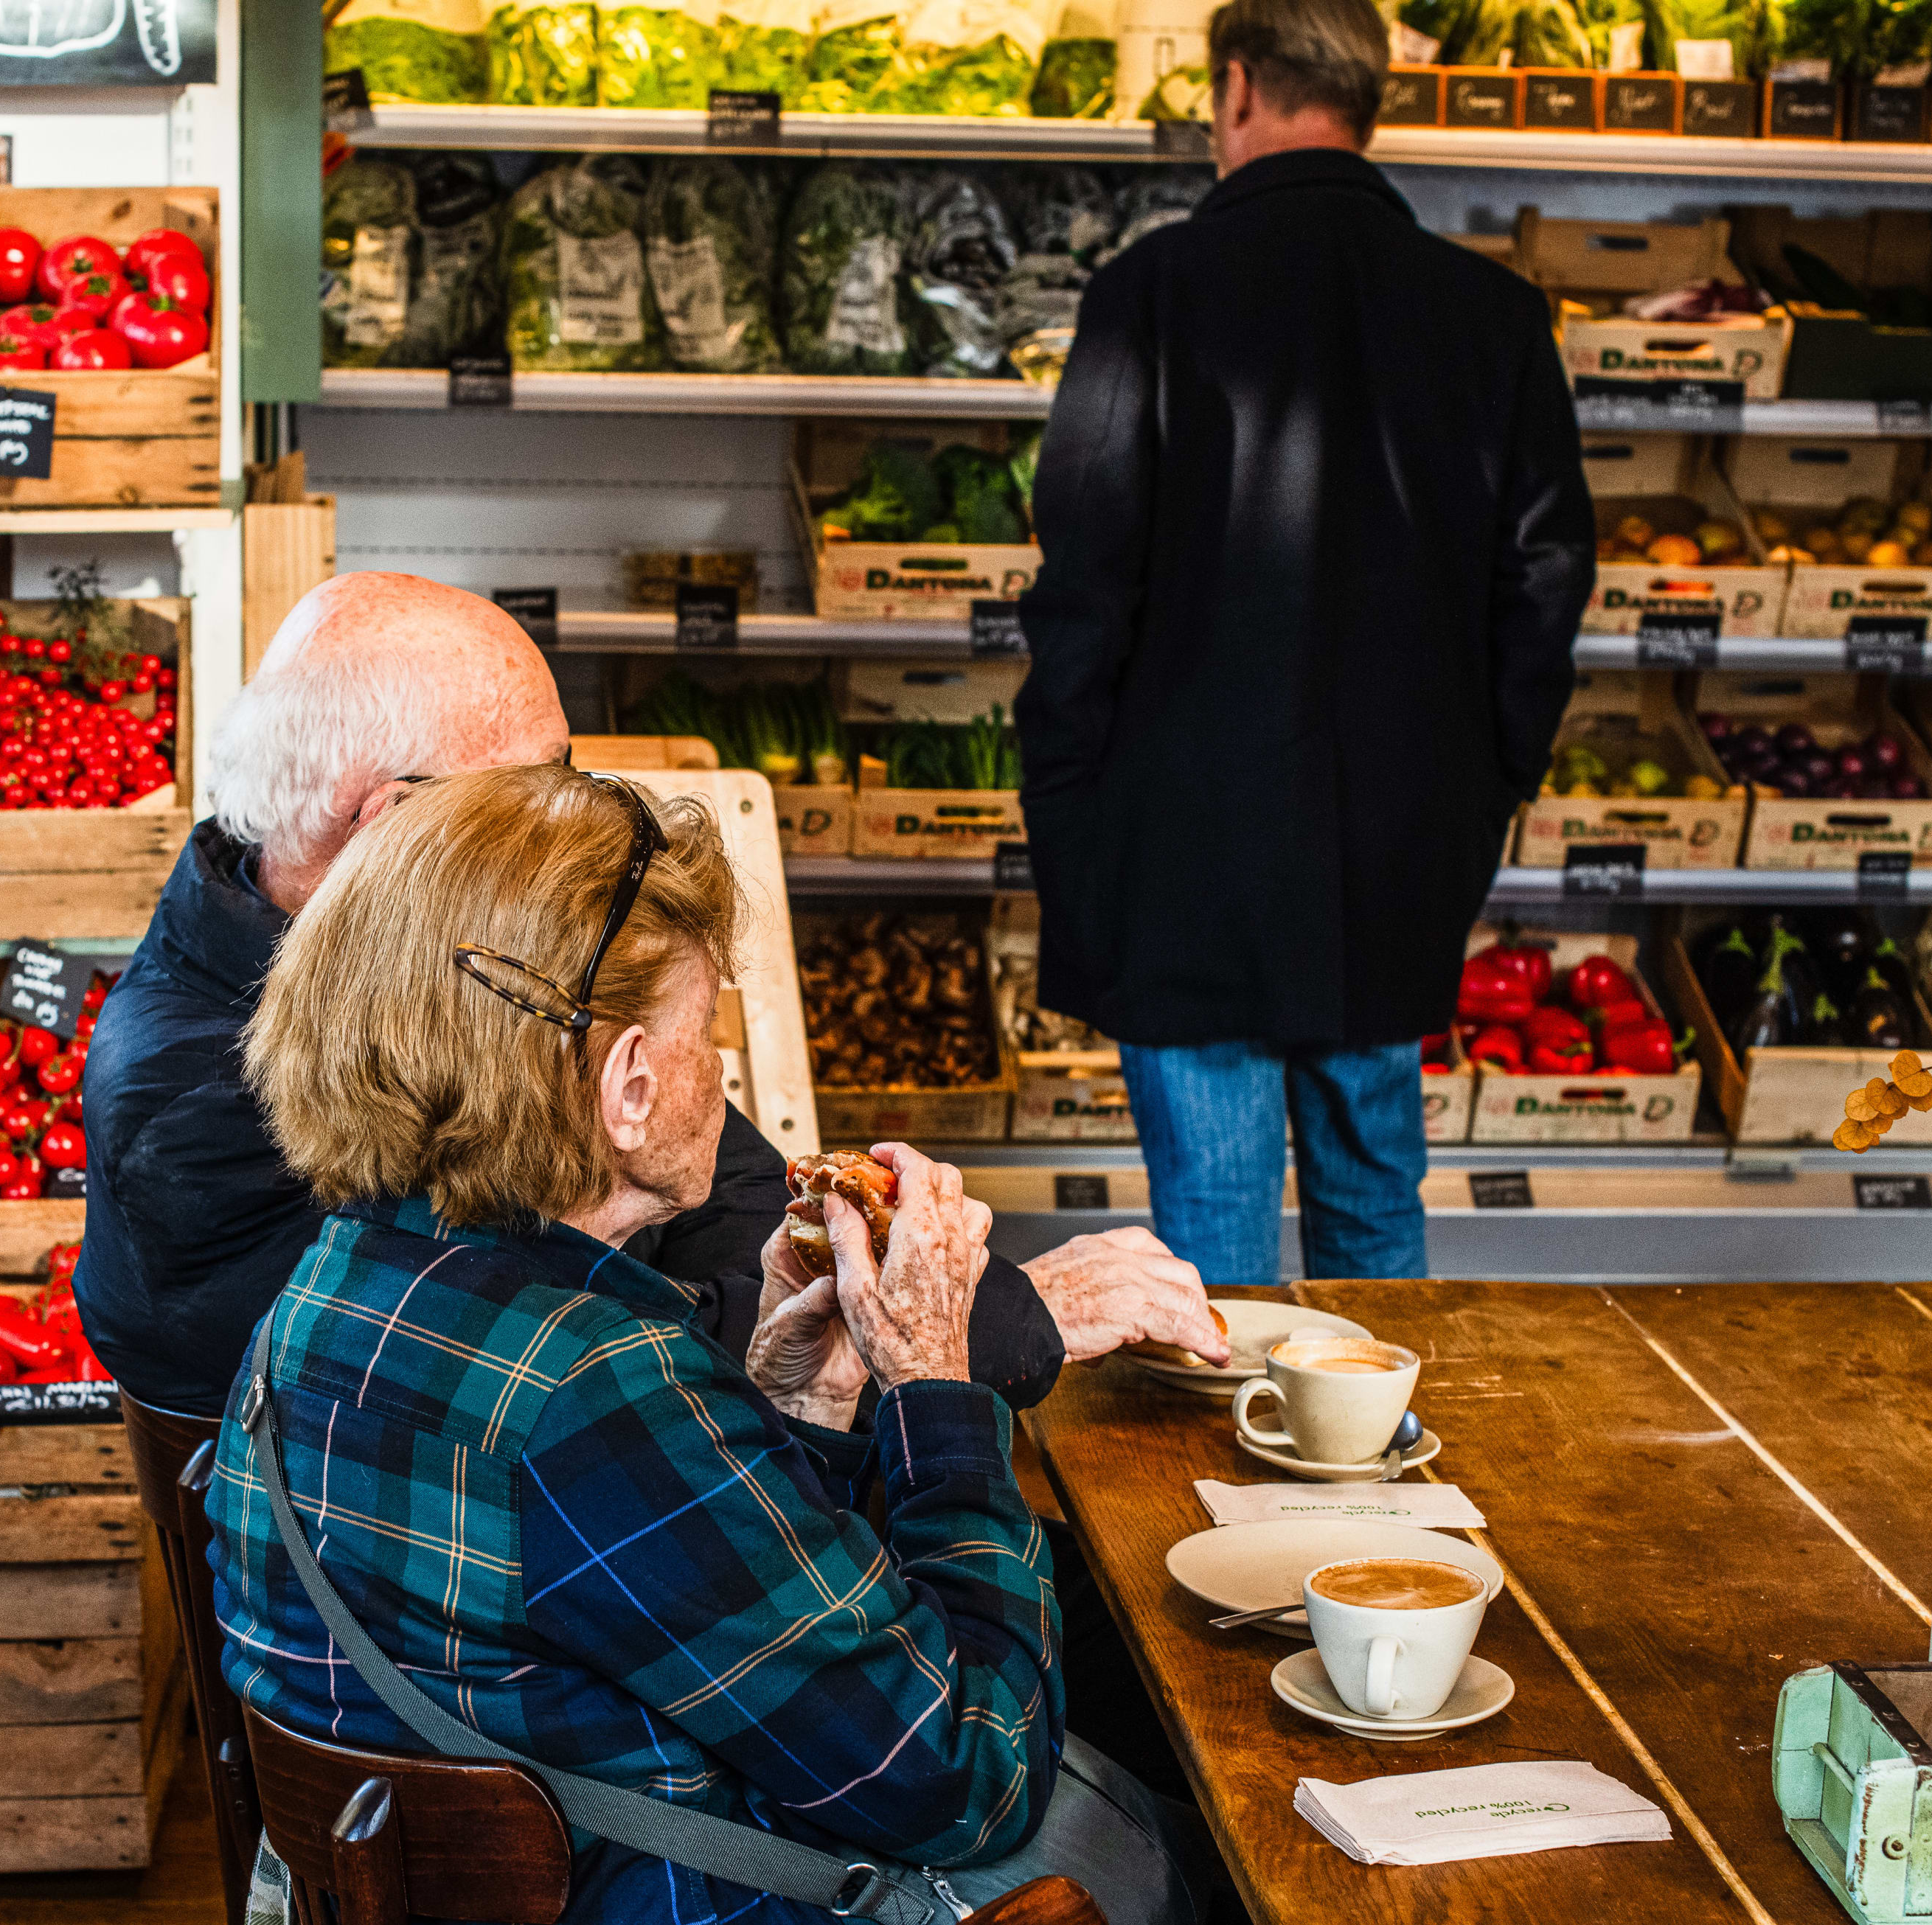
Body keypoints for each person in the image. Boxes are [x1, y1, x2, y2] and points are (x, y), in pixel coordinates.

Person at [206, 765, 1336, 1925]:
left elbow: (639, 1632)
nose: (720, 1070)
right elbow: (962, 1777)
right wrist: (939, 1382)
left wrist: (792, 1407)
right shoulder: (593, 1384)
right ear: (628, 1083)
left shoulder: (322, 1300)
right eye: (705, 1030)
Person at [76, 571, 1229, 1418]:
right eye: (538, 790)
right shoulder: (203, 1094)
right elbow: (530, 1359)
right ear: (394, 829)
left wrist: (852, 1301)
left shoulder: (464, 962)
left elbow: (716, 1186)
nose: (579, 817)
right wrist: (955, 1329)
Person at [1014, 0, 1596, 1287]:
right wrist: (1487, 779)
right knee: (1377, 1211)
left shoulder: (1150, 295)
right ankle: (1385, 1482)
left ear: (1237, 91)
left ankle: (1214, 1488)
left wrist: (1065, 803)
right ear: (1365, 100)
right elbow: (1548, 580)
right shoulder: (1495, 318)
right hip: (1398, 853)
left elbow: (1083, 586)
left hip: (1183, 854)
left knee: (1209, 1248)